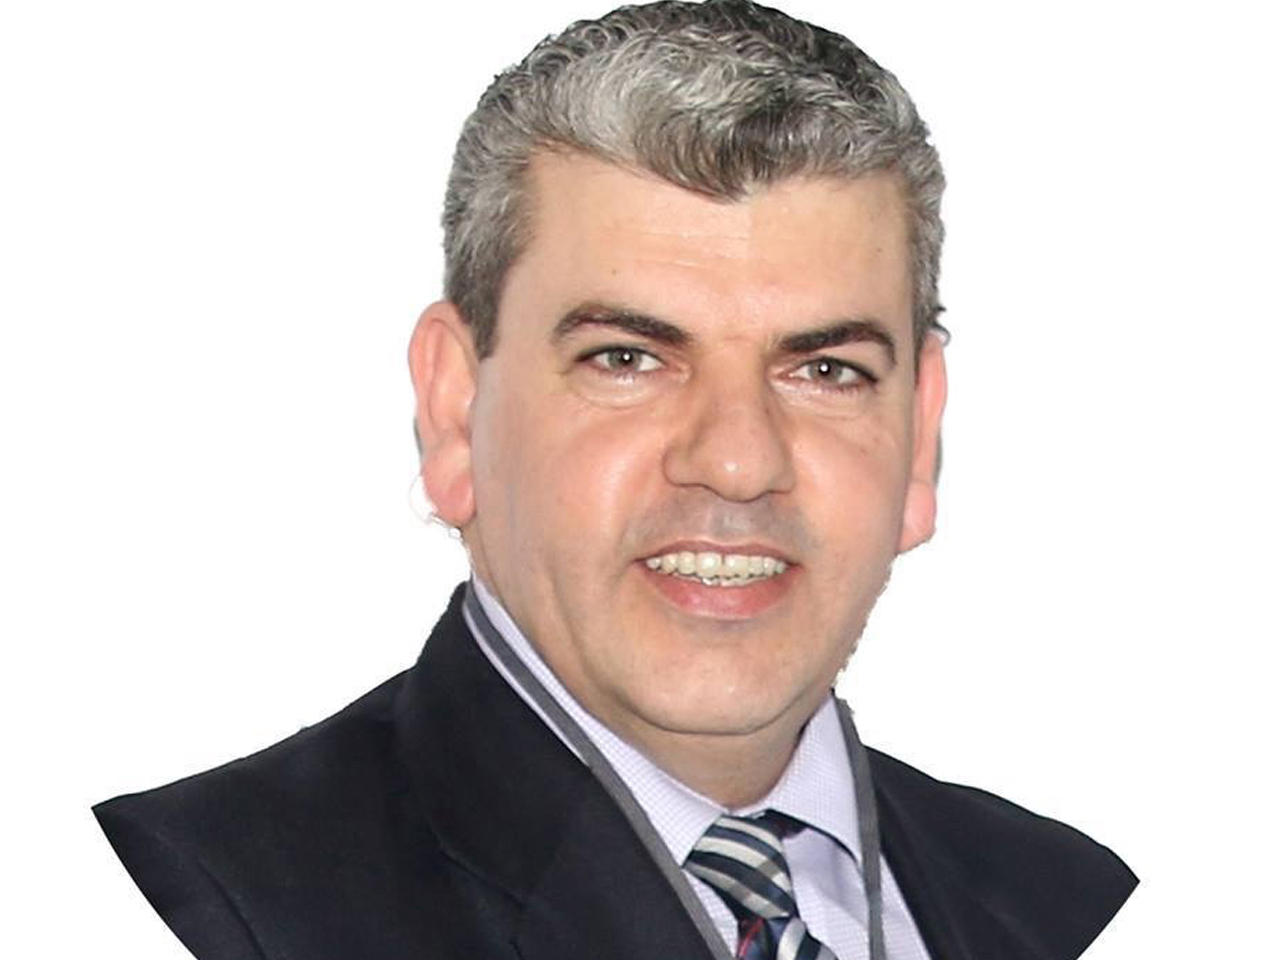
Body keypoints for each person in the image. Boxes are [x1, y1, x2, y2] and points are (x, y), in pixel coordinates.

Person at [93, 2, 1136, 958]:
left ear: (919, 431)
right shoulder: (189, 910)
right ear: (455, 412)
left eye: (826, 370)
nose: (738, 460)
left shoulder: (1075, 906)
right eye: (627, 359)